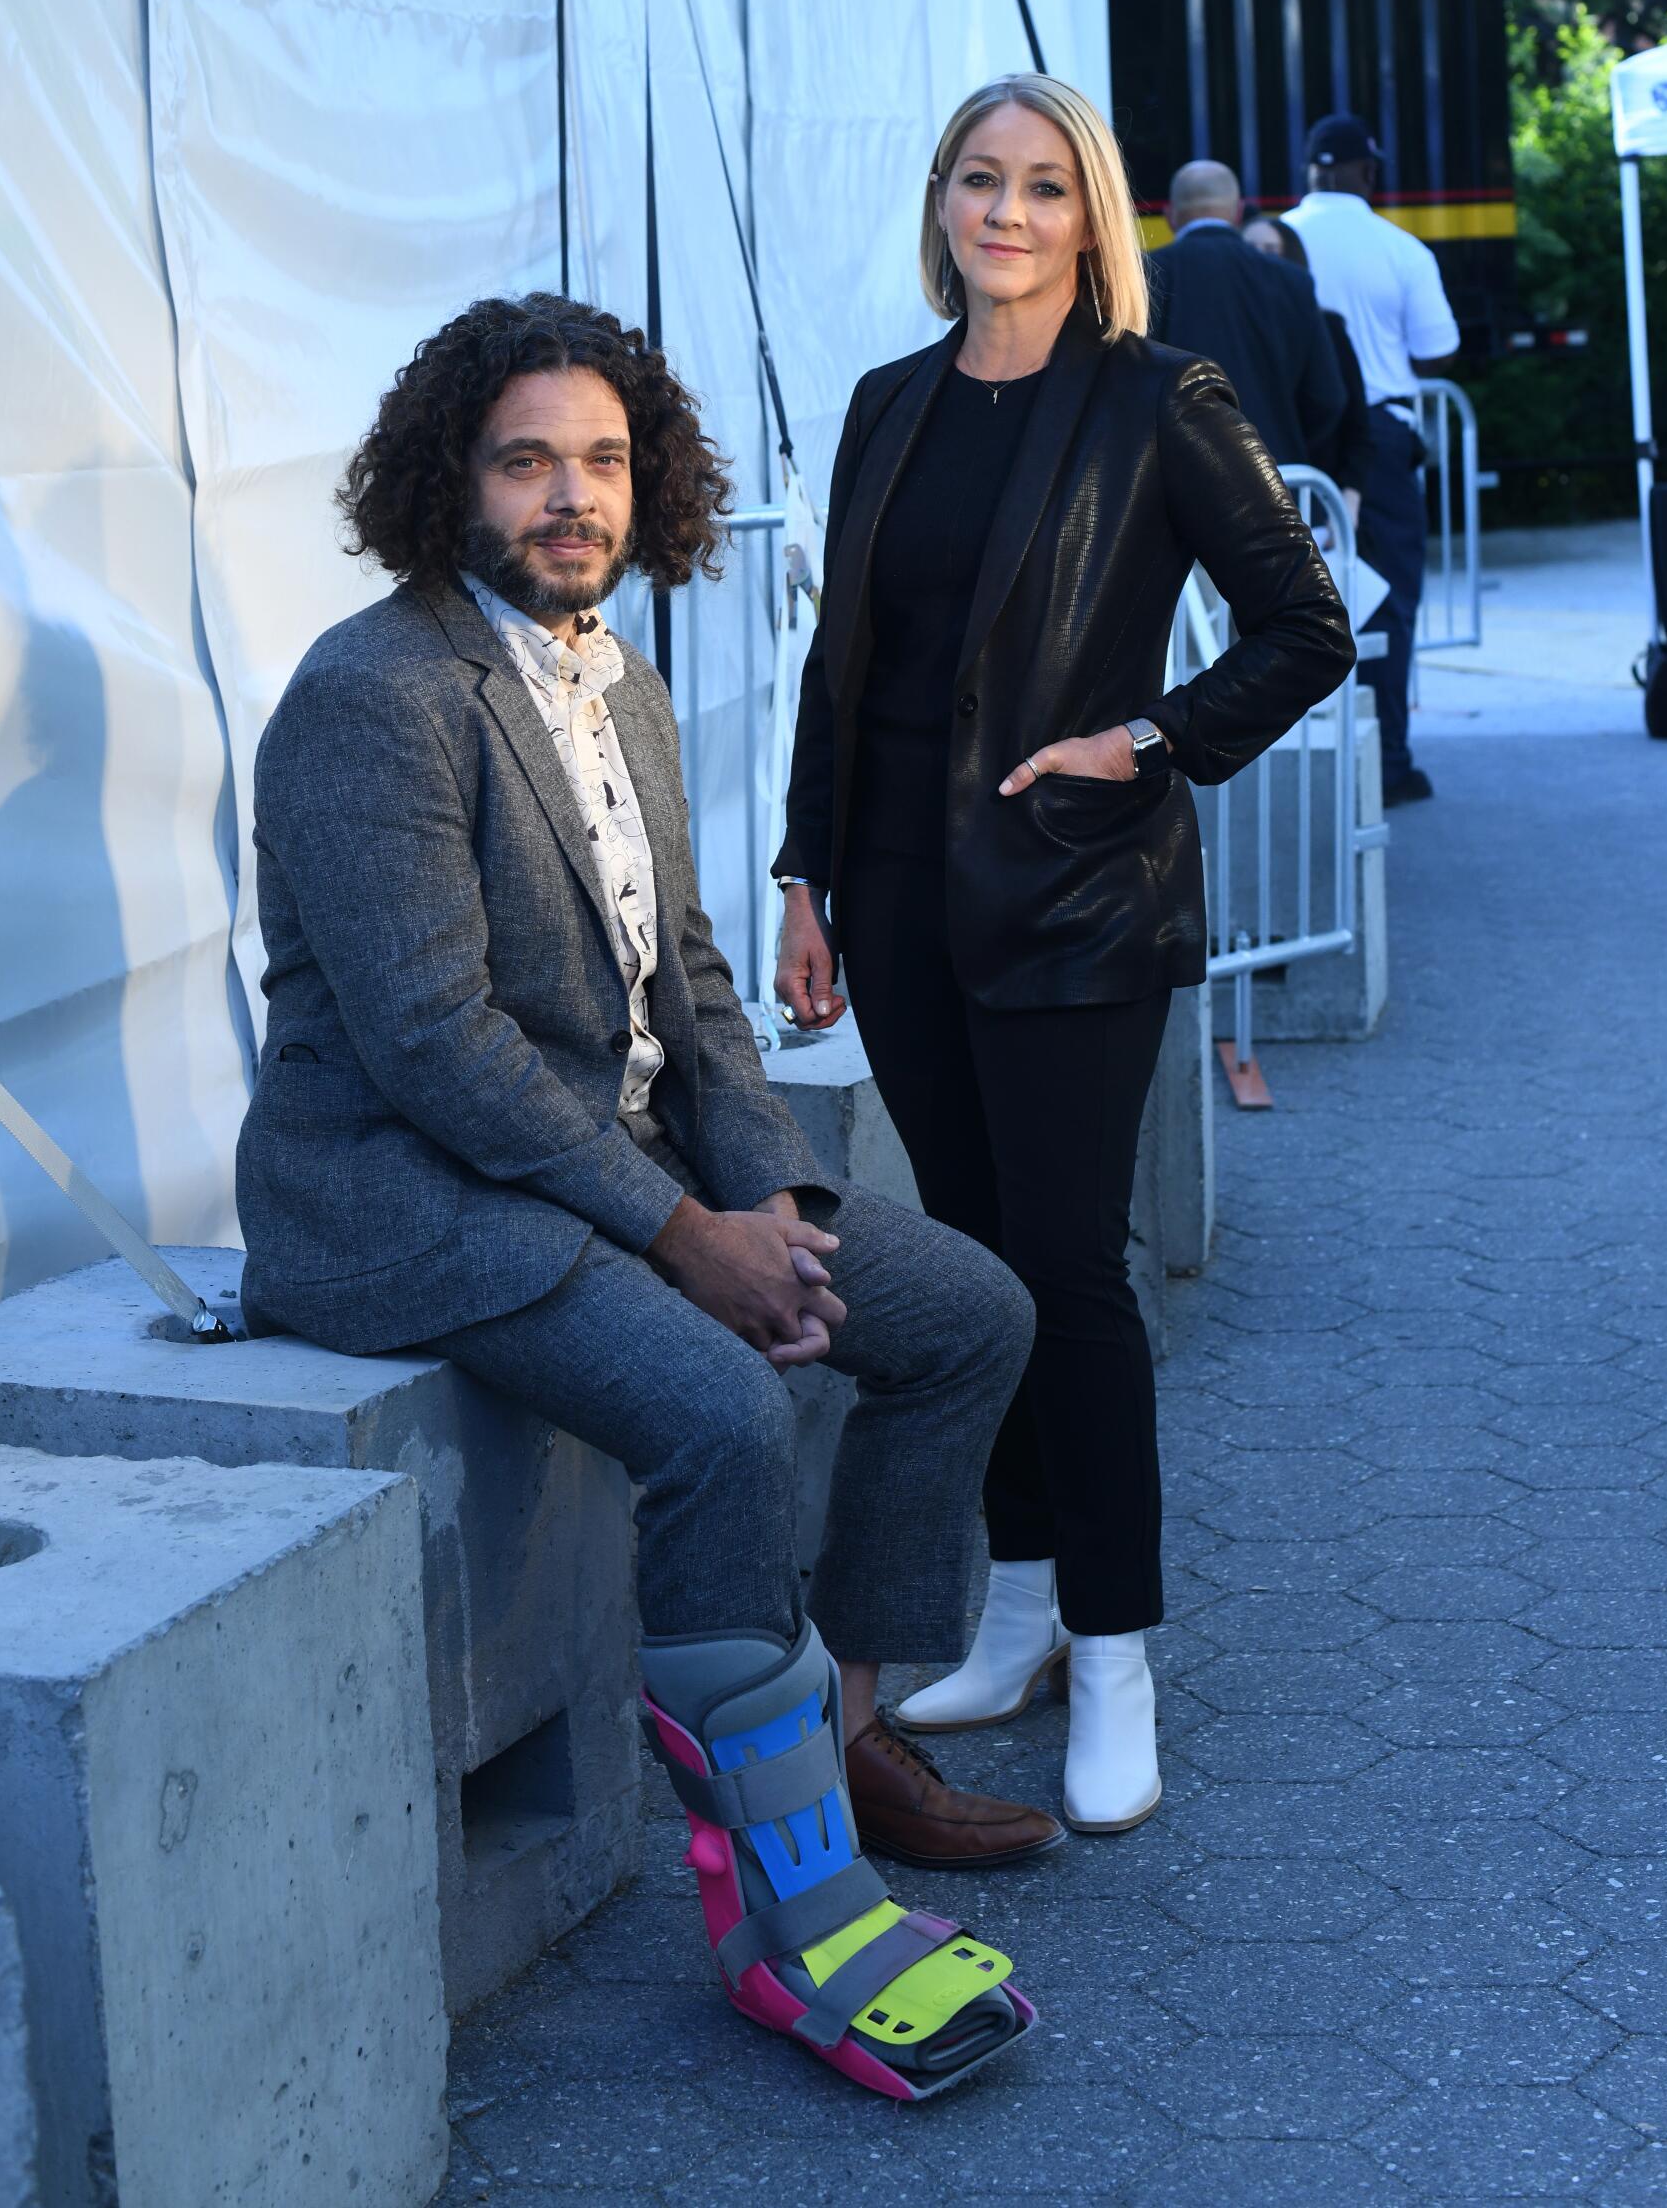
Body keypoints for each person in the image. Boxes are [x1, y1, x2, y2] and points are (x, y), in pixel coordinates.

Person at [236, 293, 1054, 2103]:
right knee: (720, 1414)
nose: (569, 495)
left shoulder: (625, 679)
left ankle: (832, 1756)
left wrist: (769, 1206)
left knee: (965, 1316)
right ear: (448, 476)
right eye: (526, 458)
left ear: (649, 481)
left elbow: (690, 988)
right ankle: (790, 1929)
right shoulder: (376, 696)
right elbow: (439, 1049)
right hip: (406, 1195)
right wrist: (689, 1242)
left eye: (601, 459)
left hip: (615, 1162)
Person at [774, 77, 1355, 1838]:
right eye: (977, 179)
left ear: (1093, 217)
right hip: (897, 891)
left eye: (1041, 186)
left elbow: (1305, 627)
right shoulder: (888, 402)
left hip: (1077, 892)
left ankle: (1114, 1652)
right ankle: (1017, 1605)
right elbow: (843, 665)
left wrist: (1149, 741)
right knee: (971, 1270)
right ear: (940, 201)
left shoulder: (1155, 396)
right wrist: (809, 879)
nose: (1005, 213)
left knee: (1072, 1275)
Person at [1287, 114, 1461, 806]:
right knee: (1386, 596)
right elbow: (1436, 349)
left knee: (1283, 597)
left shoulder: (1277, 241)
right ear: (1367, 171)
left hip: (1294, 438)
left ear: (1310, 171)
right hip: (1382, 439)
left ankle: (1298, 756)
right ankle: (1386, 759)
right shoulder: (1401, 249)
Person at [1147, 158, 1347, 471]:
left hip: (1176, 484)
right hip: (1280, 480)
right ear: (1239, 212)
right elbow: (1326, 397)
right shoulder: (1292, 281)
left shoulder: (1146, 275)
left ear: (1170, 216)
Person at [1243, 211, 1371, 523]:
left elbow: (1356, 422)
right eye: (1250, 251)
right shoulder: (1234, 333)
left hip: (1315, 492)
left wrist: (1349, 499)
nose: (1260, 261)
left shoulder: (1327, 326)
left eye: (1271, 250)